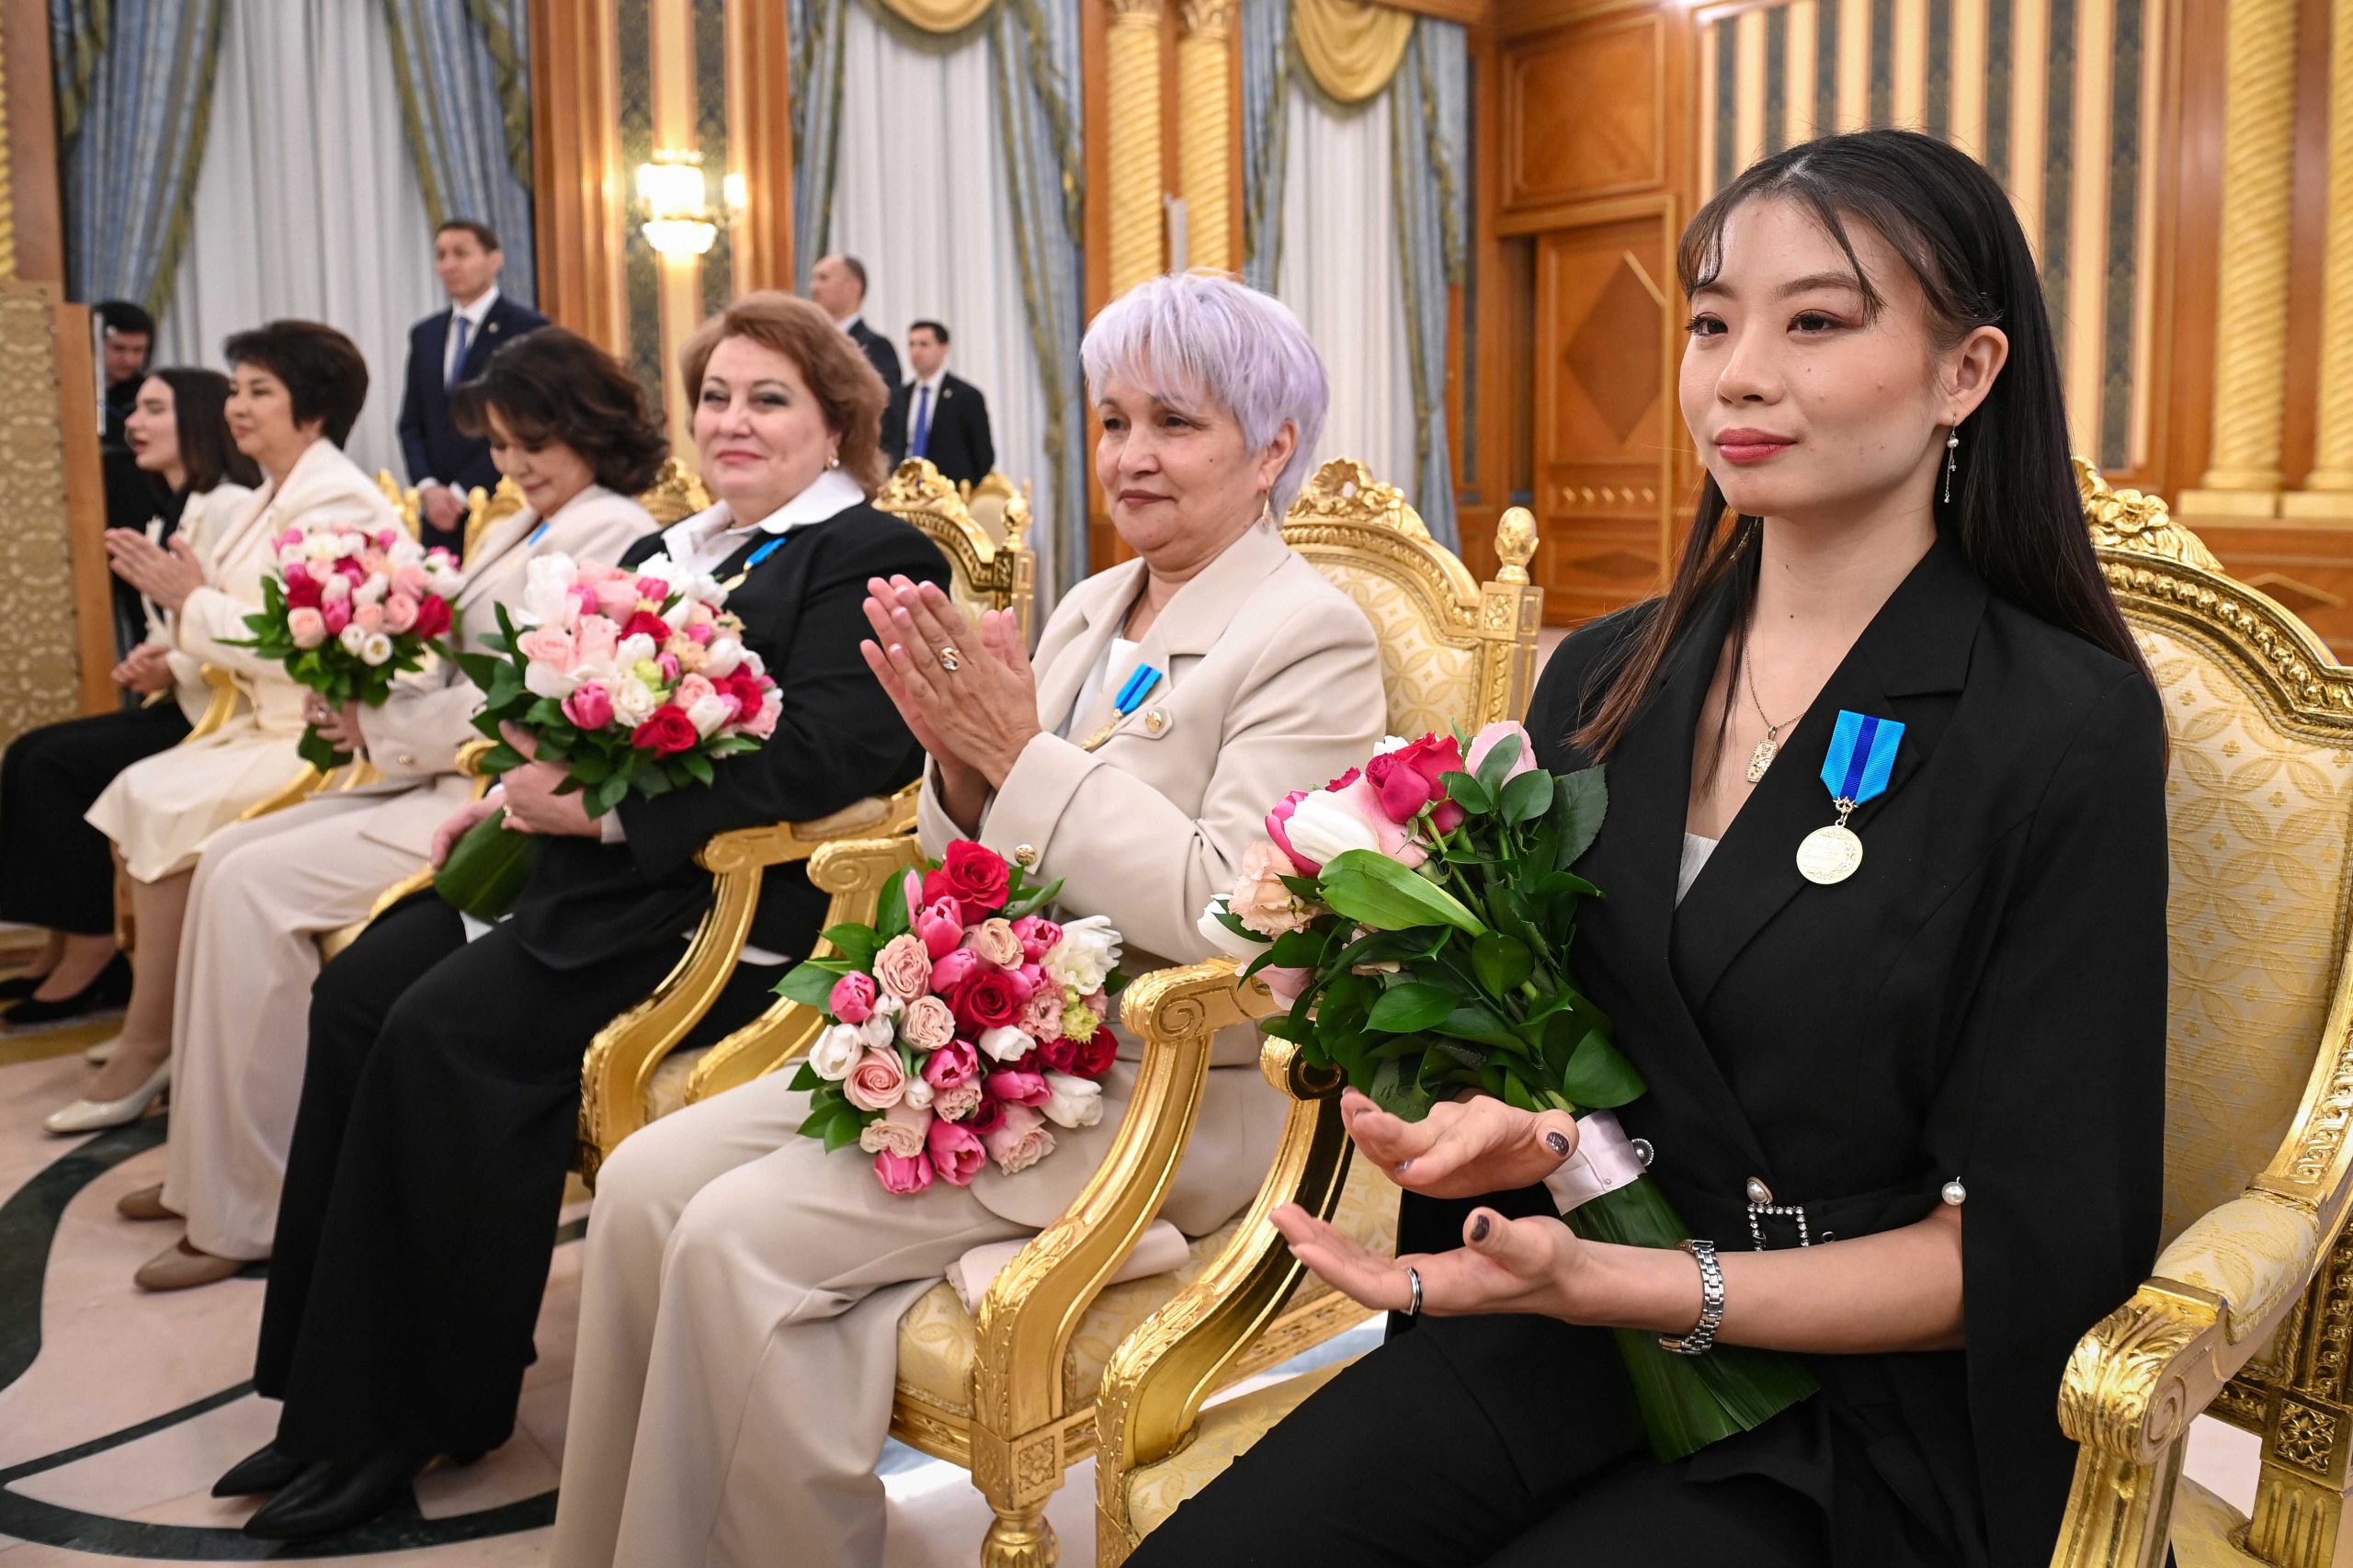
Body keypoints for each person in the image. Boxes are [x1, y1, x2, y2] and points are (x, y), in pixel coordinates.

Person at [1126, 130, 2167, 1568]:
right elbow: (1581, 1050)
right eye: (1712, 321)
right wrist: (1504, 1130)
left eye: (1816, 321)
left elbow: (2010, 1247)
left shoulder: (2062, 726)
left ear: (1967, 373)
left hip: (1854, 1415)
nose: (1736, 374)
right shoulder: (1611, 674)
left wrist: (1648, 1281)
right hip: (1573, 1321)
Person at [546, 271, 1389, 1568]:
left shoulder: (1308, 636)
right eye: (1113, 422)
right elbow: (968, 863)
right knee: (650, 1177)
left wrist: (1023, 755)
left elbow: (1238, 917)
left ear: (1273, 444)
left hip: (1157, 1086)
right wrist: (957, 768)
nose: (1133, 456)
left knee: (733, 1236)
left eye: (1177, 422)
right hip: (988, 1043)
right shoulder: (1092, 607)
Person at [217, 291, 950, 1540]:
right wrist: (504, 801)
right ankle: (325, 1397)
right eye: (716, 394)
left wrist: (601, 817)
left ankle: (429, 1407)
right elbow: (572, 709)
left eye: (769, 398)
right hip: (570, 870)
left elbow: (837, 753)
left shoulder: (871, 553)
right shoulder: (671, 549)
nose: (733, 419)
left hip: (714, 900)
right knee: (354, 1000)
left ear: (838, 424)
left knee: (443, 1036)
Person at [116, 328, 667, 1291]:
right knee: (227, 856)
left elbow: (538, 700)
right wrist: (364, 679)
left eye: (531, 440)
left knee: (250, 884)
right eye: (498, 444)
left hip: (490, 791)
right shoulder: (516, 527)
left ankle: (251, 1210)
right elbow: (450, 659)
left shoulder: (614, 530)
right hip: (426, 768)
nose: (513, 465)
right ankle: (208, 1171)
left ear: (588, 429)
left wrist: (386, 722)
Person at [48, 324, 401, 1131]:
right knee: (142, 786)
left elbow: (314, 643)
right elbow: (242, 620)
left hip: (317, 734)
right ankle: (163, 1021)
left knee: (168, 803)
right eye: (236, 389)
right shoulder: (276, 494)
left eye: (259, 391)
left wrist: (189, 602)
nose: (236, 406)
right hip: (258, 719)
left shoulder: (334, 499)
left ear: (311, 410)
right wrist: (186, 616)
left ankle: (151, 1042)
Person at [0, 369, 258, 1026]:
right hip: (182, 694)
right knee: (30, 753)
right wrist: (158, 658)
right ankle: (64, 939)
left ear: (195, 420)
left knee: (52, 767)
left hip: (219, 714)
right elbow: (175, 623)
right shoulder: (171, 507)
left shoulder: (229, 504)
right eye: (135, 410)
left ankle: (94, 948)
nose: (132, 424)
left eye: (153, 410)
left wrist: (170, 662)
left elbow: (236, 622)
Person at [396, 219, 549, 554]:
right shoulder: (426, 334)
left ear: (494, 260)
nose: (448, 265)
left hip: (501, 503)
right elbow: (411, 423)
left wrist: (462, 492)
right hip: (436, 513)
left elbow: (524, 423)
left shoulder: (528, 330)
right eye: (441, 255)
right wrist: (429, 488)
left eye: (461, 254)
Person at [881, 320, 995, 486]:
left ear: (943, 348)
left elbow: (983, 456)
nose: (916, 351)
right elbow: (889, 445)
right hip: (904, 494)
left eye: (924, 344)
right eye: (912, 345)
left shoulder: (965, 396)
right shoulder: (899, 397)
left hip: (947, 496)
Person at [808, 253, 901, 391]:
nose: (814, 287)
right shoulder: (809, 343)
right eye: (814, 279)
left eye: (823, 278)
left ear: (852, 288)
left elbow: (888, 406)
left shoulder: (875, 347)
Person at [95, 300, 154, 448]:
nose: (129, 360)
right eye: (118, 348)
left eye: (138, 350)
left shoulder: (148, 395)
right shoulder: (70, 389)